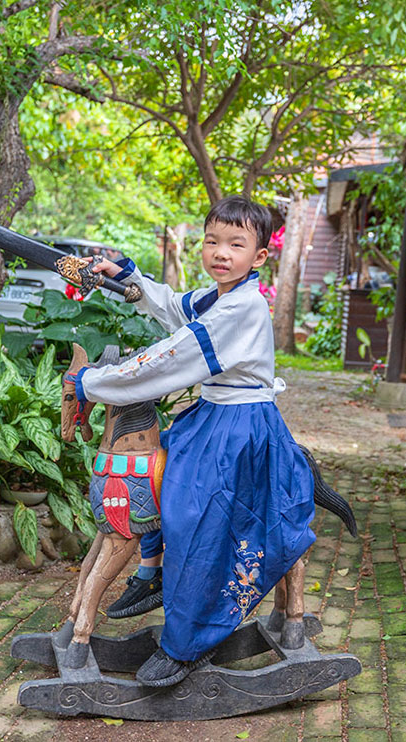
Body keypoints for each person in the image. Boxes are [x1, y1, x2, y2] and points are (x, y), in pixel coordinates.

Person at [66, 196, 317, 687]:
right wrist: (127, 278)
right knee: (160, 474)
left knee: (194, 511)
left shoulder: (241, 309)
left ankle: (186, 645)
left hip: (241, 430)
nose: (220, 252)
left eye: (236, 244)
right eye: (212, 241)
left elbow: (171, 358)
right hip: (211, 418)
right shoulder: (219, 296)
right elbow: (172, 307)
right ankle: (152, 570)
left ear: (260, 257)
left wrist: (93, 383)